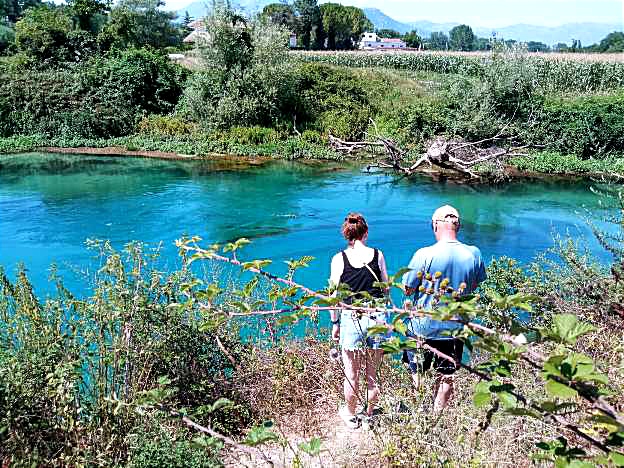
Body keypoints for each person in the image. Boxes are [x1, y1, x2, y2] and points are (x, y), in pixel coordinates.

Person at [402, 205, 486, 413]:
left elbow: (408, 289)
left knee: (418, 372)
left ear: (436, 225)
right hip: (454, 328)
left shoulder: (424, 254)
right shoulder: (474, 253)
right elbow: (473, 287)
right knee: (447, 376)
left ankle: (420, 414)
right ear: (458, 226)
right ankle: (437, 417)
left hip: (422, 327)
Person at [329, 212, 389, 429]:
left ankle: (351, 415)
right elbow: (386, 288)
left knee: (351, 375)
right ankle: (370, 414)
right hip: (376, 317)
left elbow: (333, 296)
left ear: (346, 235)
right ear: (366, 233)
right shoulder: (378, 255)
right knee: (373, 374)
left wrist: (335, 324)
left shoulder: (339, 259)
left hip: (351, 317)